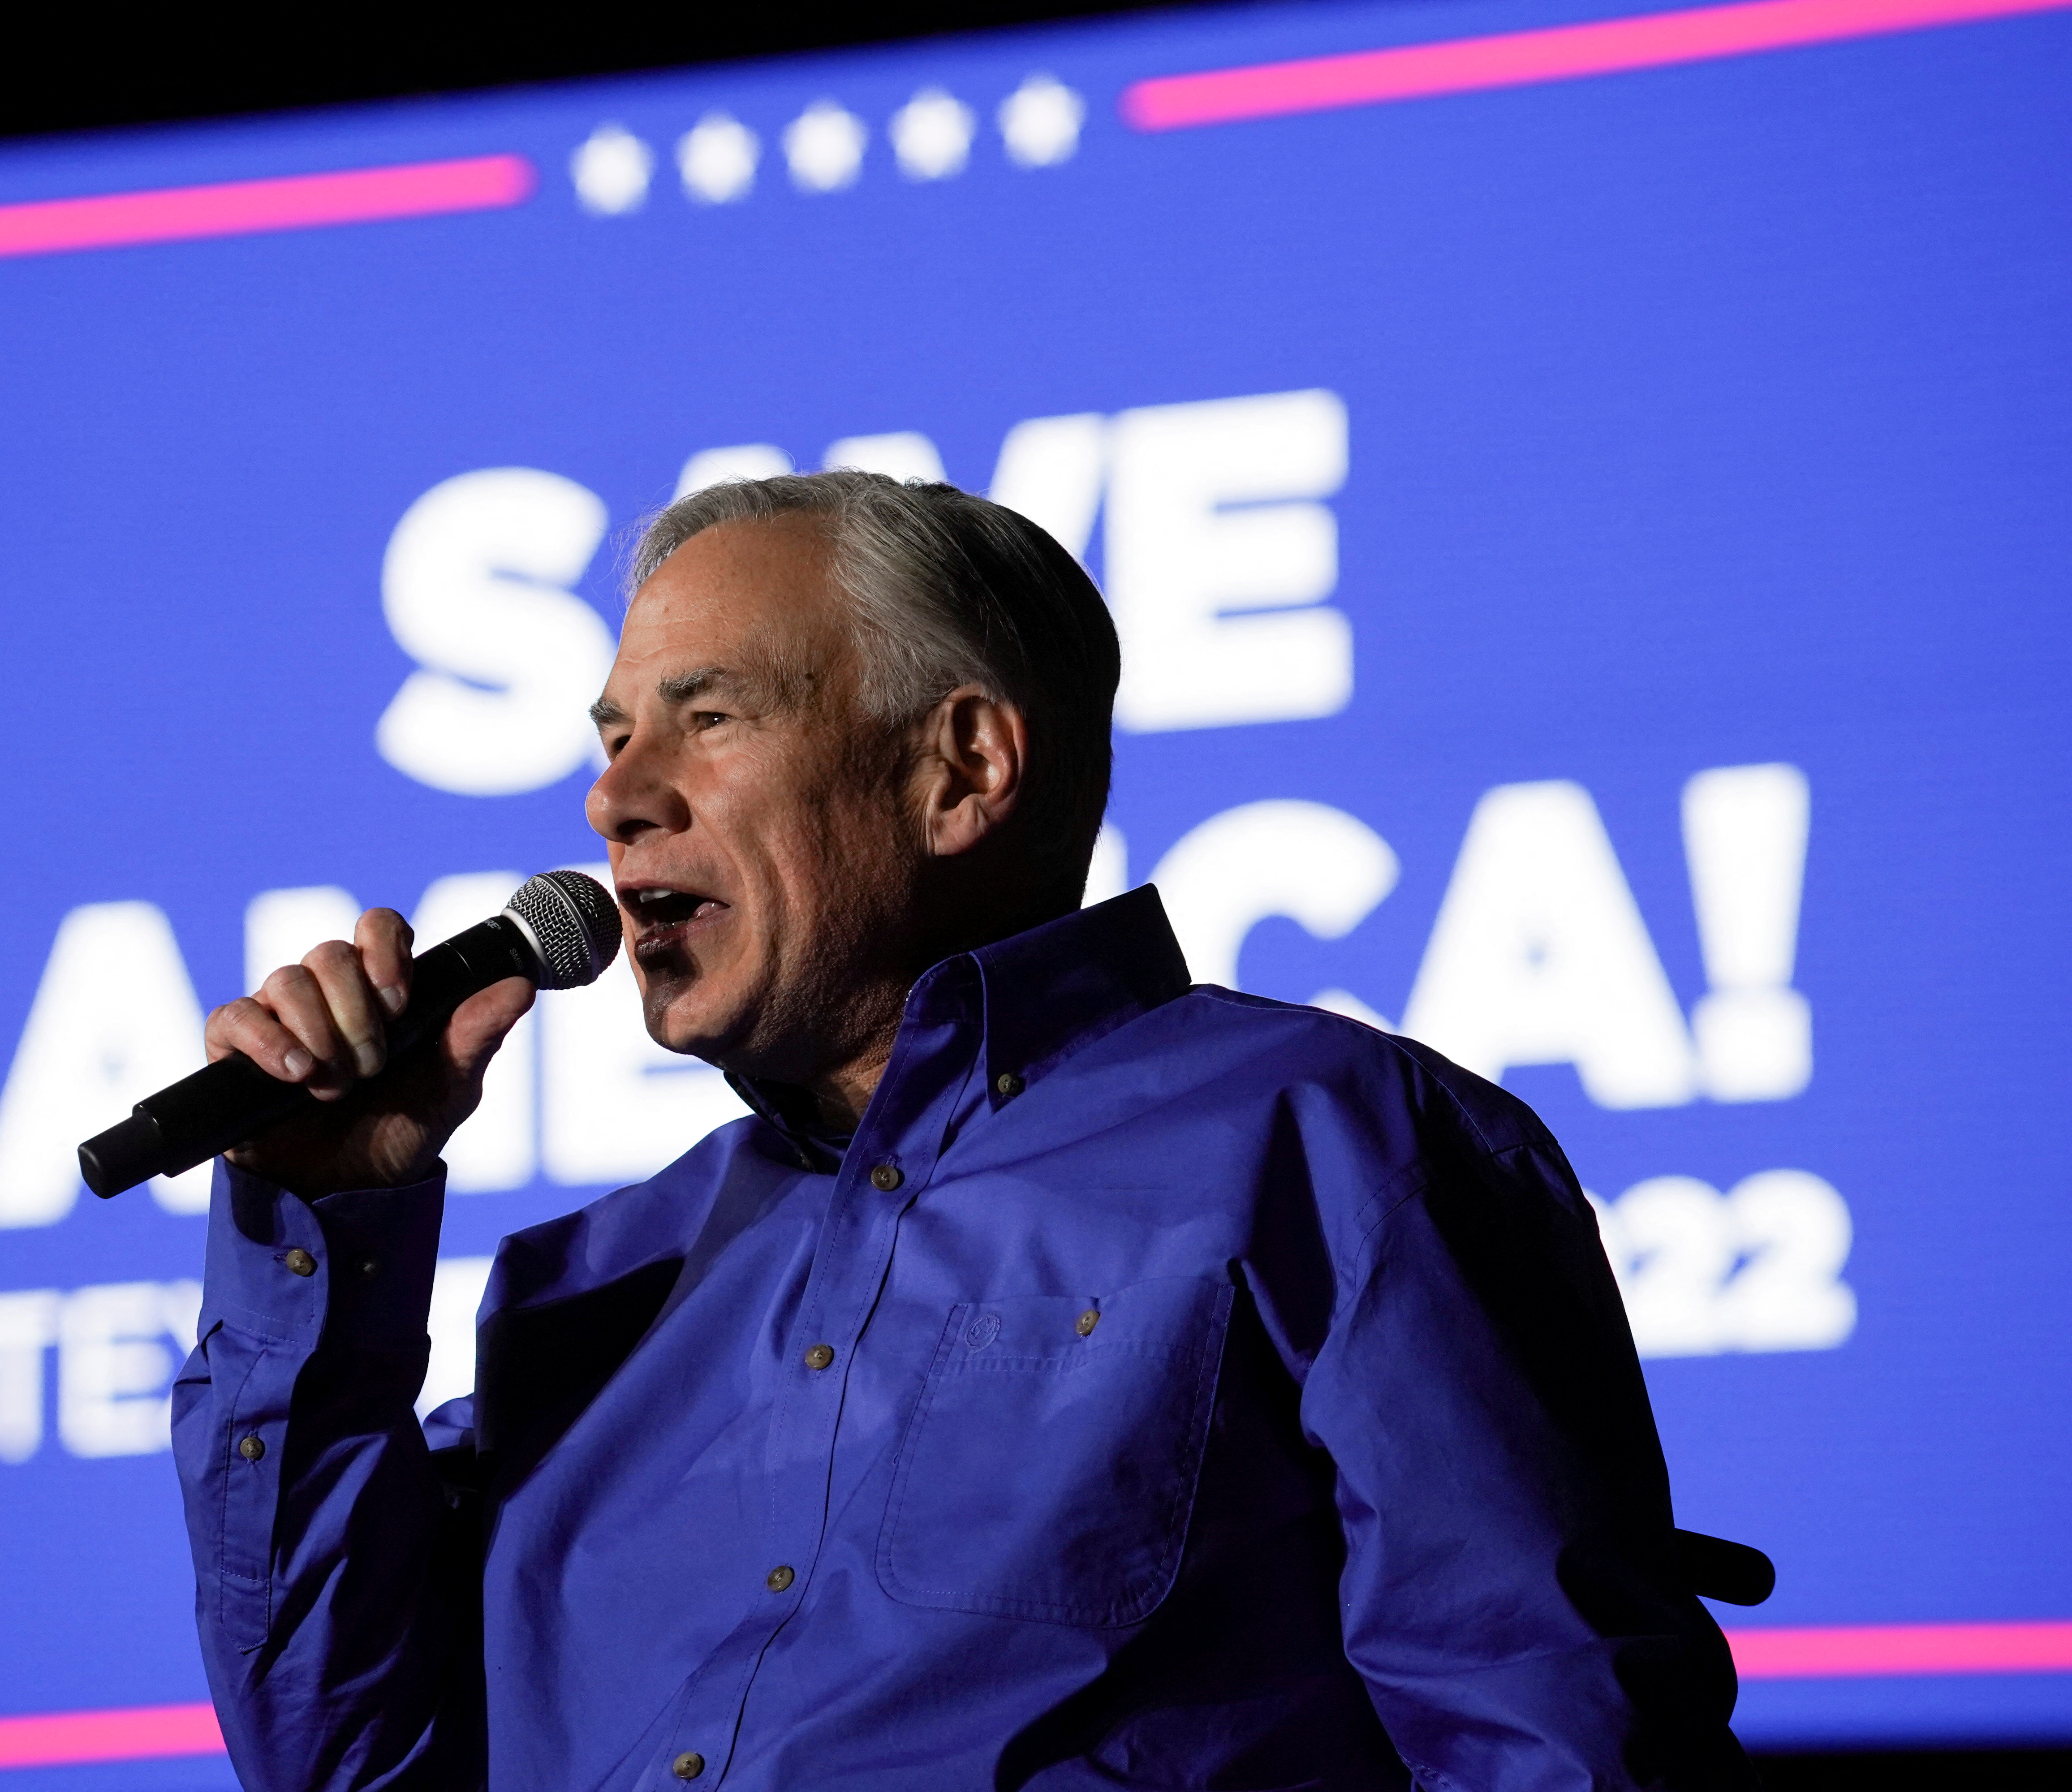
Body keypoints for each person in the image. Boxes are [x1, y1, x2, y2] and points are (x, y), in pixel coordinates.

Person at [175, 472, 1752, 1791]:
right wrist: (326, 1228)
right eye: (610, 737)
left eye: (708, 716)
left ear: (963, 770)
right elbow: (344, 1765)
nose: (617, 802)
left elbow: (1553, 1738)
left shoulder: (1328, 1144)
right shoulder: (601, 1282)